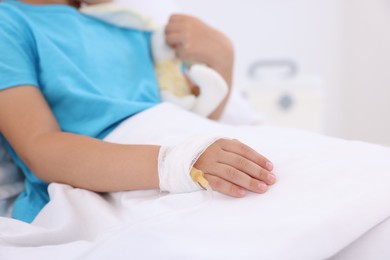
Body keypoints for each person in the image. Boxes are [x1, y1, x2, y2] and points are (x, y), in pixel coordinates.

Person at [0, 0, 276, 223]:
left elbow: (197, 128)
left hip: (175, 151)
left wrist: (223, 60)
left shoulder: (129, 21)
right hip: (106, 177)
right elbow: (40, 148)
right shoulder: (9, 22)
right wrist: (175, 163)